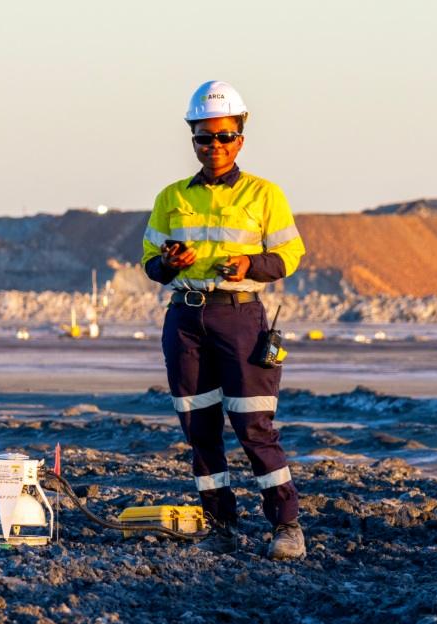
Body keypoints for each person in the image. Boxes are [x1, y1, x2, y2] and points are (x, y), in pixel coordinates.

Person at [141, 80, 307, 559]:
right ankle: (220, 525)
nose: (213, 146)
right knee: (200, 431)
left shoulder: (264, 194)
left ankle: (286, 526)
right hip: (185, 320)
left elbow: (289, 254)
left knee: (254, 426)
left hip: (240, 318)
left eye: (223, 136)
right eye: (203, 137)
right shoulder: (171, 197)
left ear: (240, 137)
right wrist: (171, 262)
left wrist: (249, 265)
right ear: (192, 138)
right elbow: (151, 262)